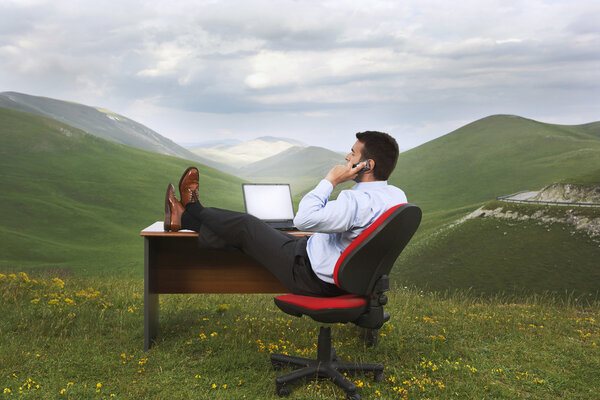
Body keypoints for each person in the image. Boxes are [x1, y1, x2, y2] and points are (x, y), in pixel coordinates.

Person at [164, 131, 407, 297]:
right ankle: (182, 219)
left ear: (368, 165)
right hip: (344, 275)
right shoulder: (396, 196)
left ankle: (192, 209)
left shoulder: (354, 202)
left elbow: (304, 219)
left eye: (353, 153)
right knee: (250, 236)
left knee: (246, 226)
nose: (346, 157)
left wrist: (331, 180)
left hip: (311, 276)